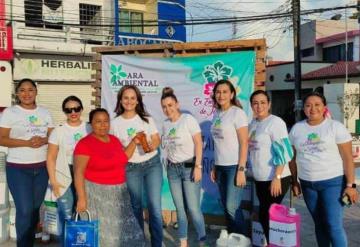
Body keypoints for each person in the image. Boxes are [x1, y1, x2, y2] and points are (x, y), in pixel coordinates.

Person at [289, 92, 358, 247]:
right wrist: (294, 181)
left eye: (317, 104)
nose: (312, 108)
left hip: (332, 183)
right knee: (319, 225)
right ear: (303, 109)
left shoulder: (335, 127)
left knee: (333, 225)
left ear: (324, 107)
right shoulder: (296, 129)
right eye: (308, 105)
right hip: (308, 184)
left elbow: (348, 158)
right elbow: (291, 158)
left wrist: (351, 186)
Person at [74, 108, 145, 246]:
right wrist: (82, 199)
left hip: (120, 194)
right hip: (96, 195)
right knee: (103, 235)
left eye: (106, 121)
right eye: (98, 122)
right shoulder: (84, 144)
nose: (103, 125)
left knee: (129, 233)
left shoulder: (114, 140)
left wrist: (134, 142)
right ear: (91, 124)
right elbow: (78, 172)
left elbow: (123, 158)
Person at [0, 78, 54, 247]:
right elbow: (2, 138)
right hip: (18, 169)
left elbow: (53, 137)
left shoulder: (45, 112)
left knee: (33, 210)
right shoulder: (10, 112)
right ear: (17, 94)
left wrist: (43, 140)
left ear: (36, 92)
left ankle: (28, 243)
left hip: (41, 168)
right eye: (22, 90)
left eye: (30, 90)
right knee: (24, 210)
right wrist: (26, 142)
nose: (26, 94)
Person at [111, 85, 163, 247]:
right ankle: (139, 242)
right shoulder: (114, 124)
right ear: (120, 100)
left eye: (133, 98)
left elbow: (156, 139)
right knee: (136, 206)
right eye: (126, 98)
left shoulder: (147, 119)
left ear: (138, 100)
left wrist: (151, 145)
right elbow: (119, 153)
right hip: (130, 167)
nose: (129, 101)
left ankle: (156, 243)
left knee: (154, 206)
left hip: (152, 164)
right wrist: (134, 142)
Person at [160, 87, 207, 247]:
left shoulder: (187, 119)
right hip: (172, 170)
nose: (168, 109)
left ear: (177, 104)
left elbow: (199, 143)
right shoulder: (165, 125)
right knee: (179, 208)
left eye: (170, 105)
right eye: (164, 106)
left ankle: (202, 241)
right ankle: (183, 242)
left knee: (193, 209)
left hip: (189, 168)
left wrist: (198, 166)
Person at [248, 90, 293, 241]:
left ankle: (275, 243)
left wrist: (277, 177)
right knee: (264, 215)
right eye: (255, 103)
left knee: (268, 216)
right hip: (260, 178)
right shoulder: (253, 124)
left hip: (276, 177)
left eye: (262, 102)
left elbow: (284, 152)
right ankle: (271, 243)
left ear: (269, 104)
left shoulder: (275, 122)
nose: (259, 106)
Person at [46, 96, 89, 244]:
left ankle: (84, 243)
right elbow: (51, 157)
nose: (73, 112)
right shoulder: (58, 131)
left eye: (76, 108)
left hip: (85, 175)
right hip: (64, 175)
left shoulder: (89, 128)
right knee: (66, 215)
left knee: (83, 213)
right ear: (64, 112)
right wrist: (53, 181)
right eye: (68, 110)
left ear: (81, 109)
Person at [210, 79, 248, 234]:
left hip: (234, 167)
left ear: (232, 94)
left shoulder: (237, 113)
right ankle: (233, 240)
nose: (221, 95)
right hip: (220, 167)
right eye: (218, 92)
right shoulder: (217, 114)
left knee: (233, 207)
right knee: (226, 208)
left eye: (225, 92)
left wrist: (241, 169)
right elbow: (217, 143)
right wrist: (214, 165)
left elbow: (244, 143)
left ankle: (244, 241)